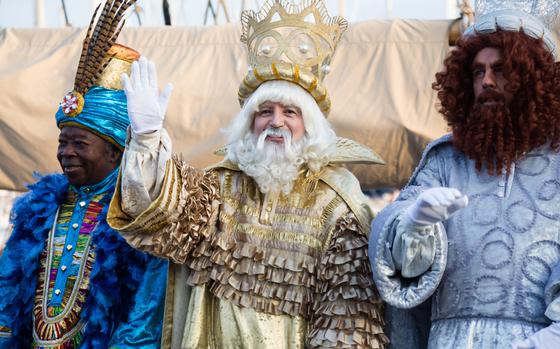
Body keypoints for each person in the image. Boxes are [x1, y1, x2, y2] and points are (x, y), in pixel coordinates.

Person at [107, 0, 388, 348]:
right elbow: (157, 217)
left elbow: (348, 322)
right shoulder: (218, 189)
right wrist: (148, 137)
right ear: (249, 124)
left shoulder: (337, 205)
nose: (276, 121)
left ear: (309, 126)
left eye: (290, 111)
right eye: (264, 111)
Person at [369, 0, 560, 348]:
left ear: (535, 80)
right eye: (477, 72)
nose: (486, 81)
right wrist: (412, 224)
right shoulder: (445, 160)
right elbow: (403, 266)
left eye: (501, 70)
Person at [0, 1, 167, 347]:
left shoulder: (137, 214)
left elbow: (146, 313)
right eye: (63, 142)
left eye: (79, 143)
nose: (65, 153)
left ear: (114, 150)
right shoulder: (38, 210)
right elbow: (8, 290)